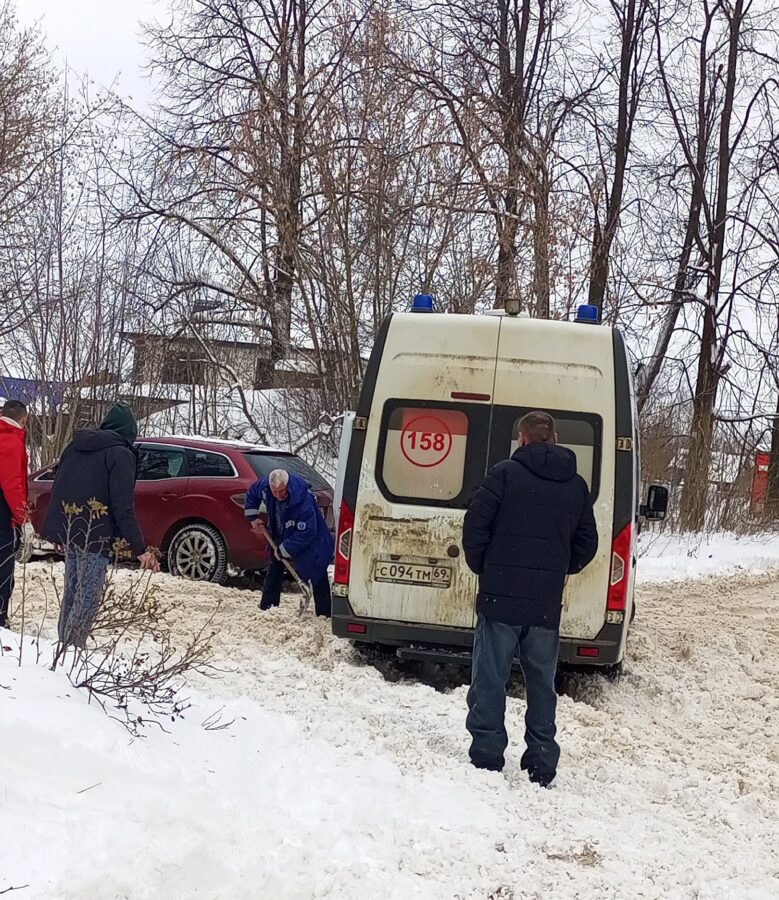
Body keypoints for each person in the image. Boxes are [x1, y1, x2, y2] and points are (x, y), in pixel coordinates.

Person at [462, 410, 598, 787]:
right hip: (544, 605)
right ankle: (541, 760)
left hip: (499, 599)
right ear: (555, 440)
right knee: (541, 685)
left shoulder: (503, 475)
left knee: (491, 677)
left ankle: (487, 753)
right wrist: (556, 569)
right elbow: (587, 543)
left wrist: (484, 566)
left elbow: (475, 526)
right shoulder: (576, 486)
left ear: (521, 440)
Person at [42, 403, 159, 647]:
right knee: (88, 595)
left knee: (73, 591)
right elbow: (122, 506)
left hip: (72, 530)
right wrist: (139, 549)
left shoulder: (74, 446)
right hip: (96, 535)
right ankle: (72, 649)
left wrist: (57, 531)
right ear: (129, 431)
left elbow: (59, 488)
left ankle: (64, 647)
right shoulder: (121, 454)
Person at [244, 468, 334, 617]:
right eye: (275, 492)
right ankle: (268, 609)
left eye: (282, 491)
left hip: (312, 538)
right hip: (281, 531)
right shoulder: (264, 486)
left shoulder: (302, 500)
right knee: (274, 567)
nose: (279, 495)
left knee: (316, 571)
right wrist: (252, 517)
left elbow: (307, 532)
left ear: (288, 486)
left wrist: (285, 549)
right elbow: (252, 493)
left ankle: (324, 615)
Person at [0, 400, 29, 628]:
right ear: (24, 419)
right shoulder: (10, 441)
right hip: (3, 516)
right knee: (3, 570)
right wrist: (23, 518)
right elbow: (12, 485)